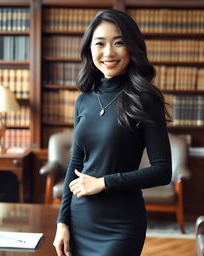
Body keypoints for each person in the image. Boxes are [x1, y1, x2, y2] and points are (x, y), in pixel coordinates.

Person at [53, 9, 172, 256]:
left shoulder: (145, 100)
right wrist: (62, 223)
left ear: (132, 48)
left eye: (119, 43)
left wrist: (103, 183)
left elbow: (162, 171)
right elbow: (75, 163)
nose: (108, 52)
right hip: (80, 218)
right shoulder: (83, 100)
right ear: (90, 50)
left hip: (121, 224)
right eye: (100, 43)